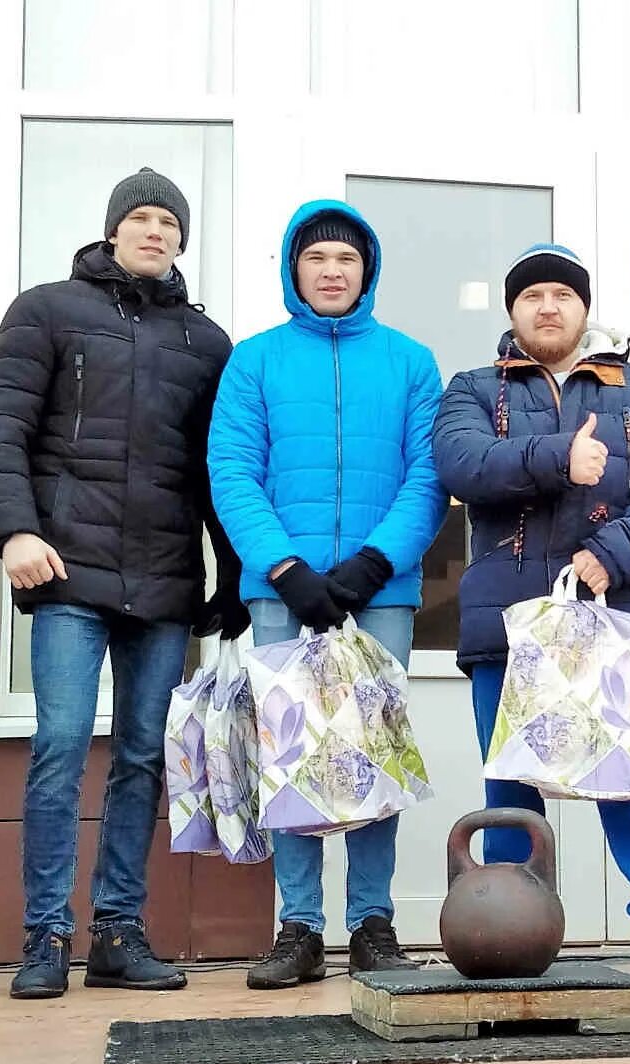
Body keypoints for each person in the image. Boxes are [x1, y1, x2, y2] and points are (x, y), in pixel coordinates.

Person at [0, 168, 242, 999]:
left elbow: (216, 469)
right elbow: (1, 425)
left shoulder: (208, 343)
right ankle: (46, 934)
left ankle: (119, 930)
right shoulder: (46, 309)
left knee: (140, 753)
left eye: (169, 221)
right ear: (113, 228)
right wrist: (14, 529)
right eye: (141, 217)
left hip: (163, 582)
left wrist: (230, 574)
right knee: (59, 745)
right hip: (66, 571)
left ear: (182, 239)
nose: (155, 231)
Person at [435, 244, 630, 988]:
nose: (549, 306)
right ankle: (507, 933)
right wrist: (561, 455)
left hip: (616, 619)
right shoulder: (471, 389)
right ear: (512, 311)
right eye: (532, 296)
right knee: (511, 794)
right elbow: (462, 466)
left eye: (563, 294)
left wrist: (614, 552)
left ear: (584, 308)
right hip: (506, 628)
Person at [208, 200, 447, 989]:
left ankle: (373, 922)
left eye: (347, 259)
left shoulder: (411, 362)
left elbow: (429, 476)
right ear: (294, 270)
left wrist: (374, 564)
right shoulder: (256, 361)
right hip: (282, 593)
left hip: (381, 592)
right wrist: (285, 569)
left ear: (367, 270)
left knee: (370, 749)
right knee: (293, 752)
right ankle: (301, 926)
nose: (333, 271)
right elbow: (233, 471)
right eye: (318, 259)